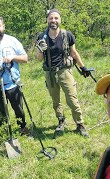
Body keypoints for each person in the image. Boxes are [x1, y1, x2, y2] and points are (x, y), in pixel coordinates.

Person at [36, 9, 90, 137]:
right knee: (56, 100)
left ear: (60, 20)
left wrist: (83, 67)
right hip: (50, 73)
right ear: (47, 20)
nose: (53, 20)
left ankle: (80, 124)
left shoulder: (67, 35)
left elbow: (73, 52)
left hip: (64, 71)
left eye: (56, 18)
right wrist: (40, 49)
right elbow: (38, 58)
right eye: (51, 18)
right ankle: (61, 121)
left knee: (72, 98)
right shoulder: (42, 37)